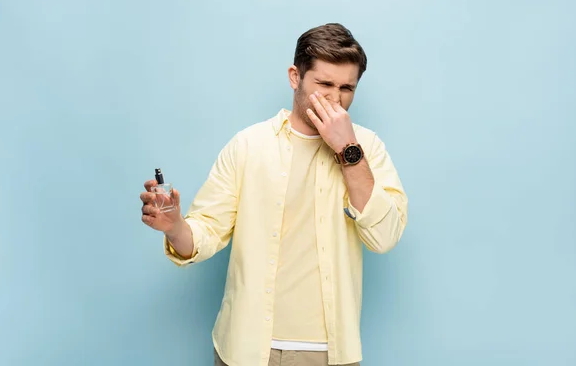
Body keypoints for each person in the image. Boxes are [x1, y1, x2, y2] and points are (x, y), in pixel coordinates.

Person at [140, 23, 408, 366]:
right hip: (245, 349)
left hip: (330, 354)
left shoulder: (366, 148)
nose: (335, 98)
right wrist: (175, 225)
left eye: (346, 88)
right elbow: (205, 232)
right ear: (295, 77)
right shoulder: (248, 146)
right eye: (324, 84)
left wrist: (348, 148)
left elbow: (385, 237)